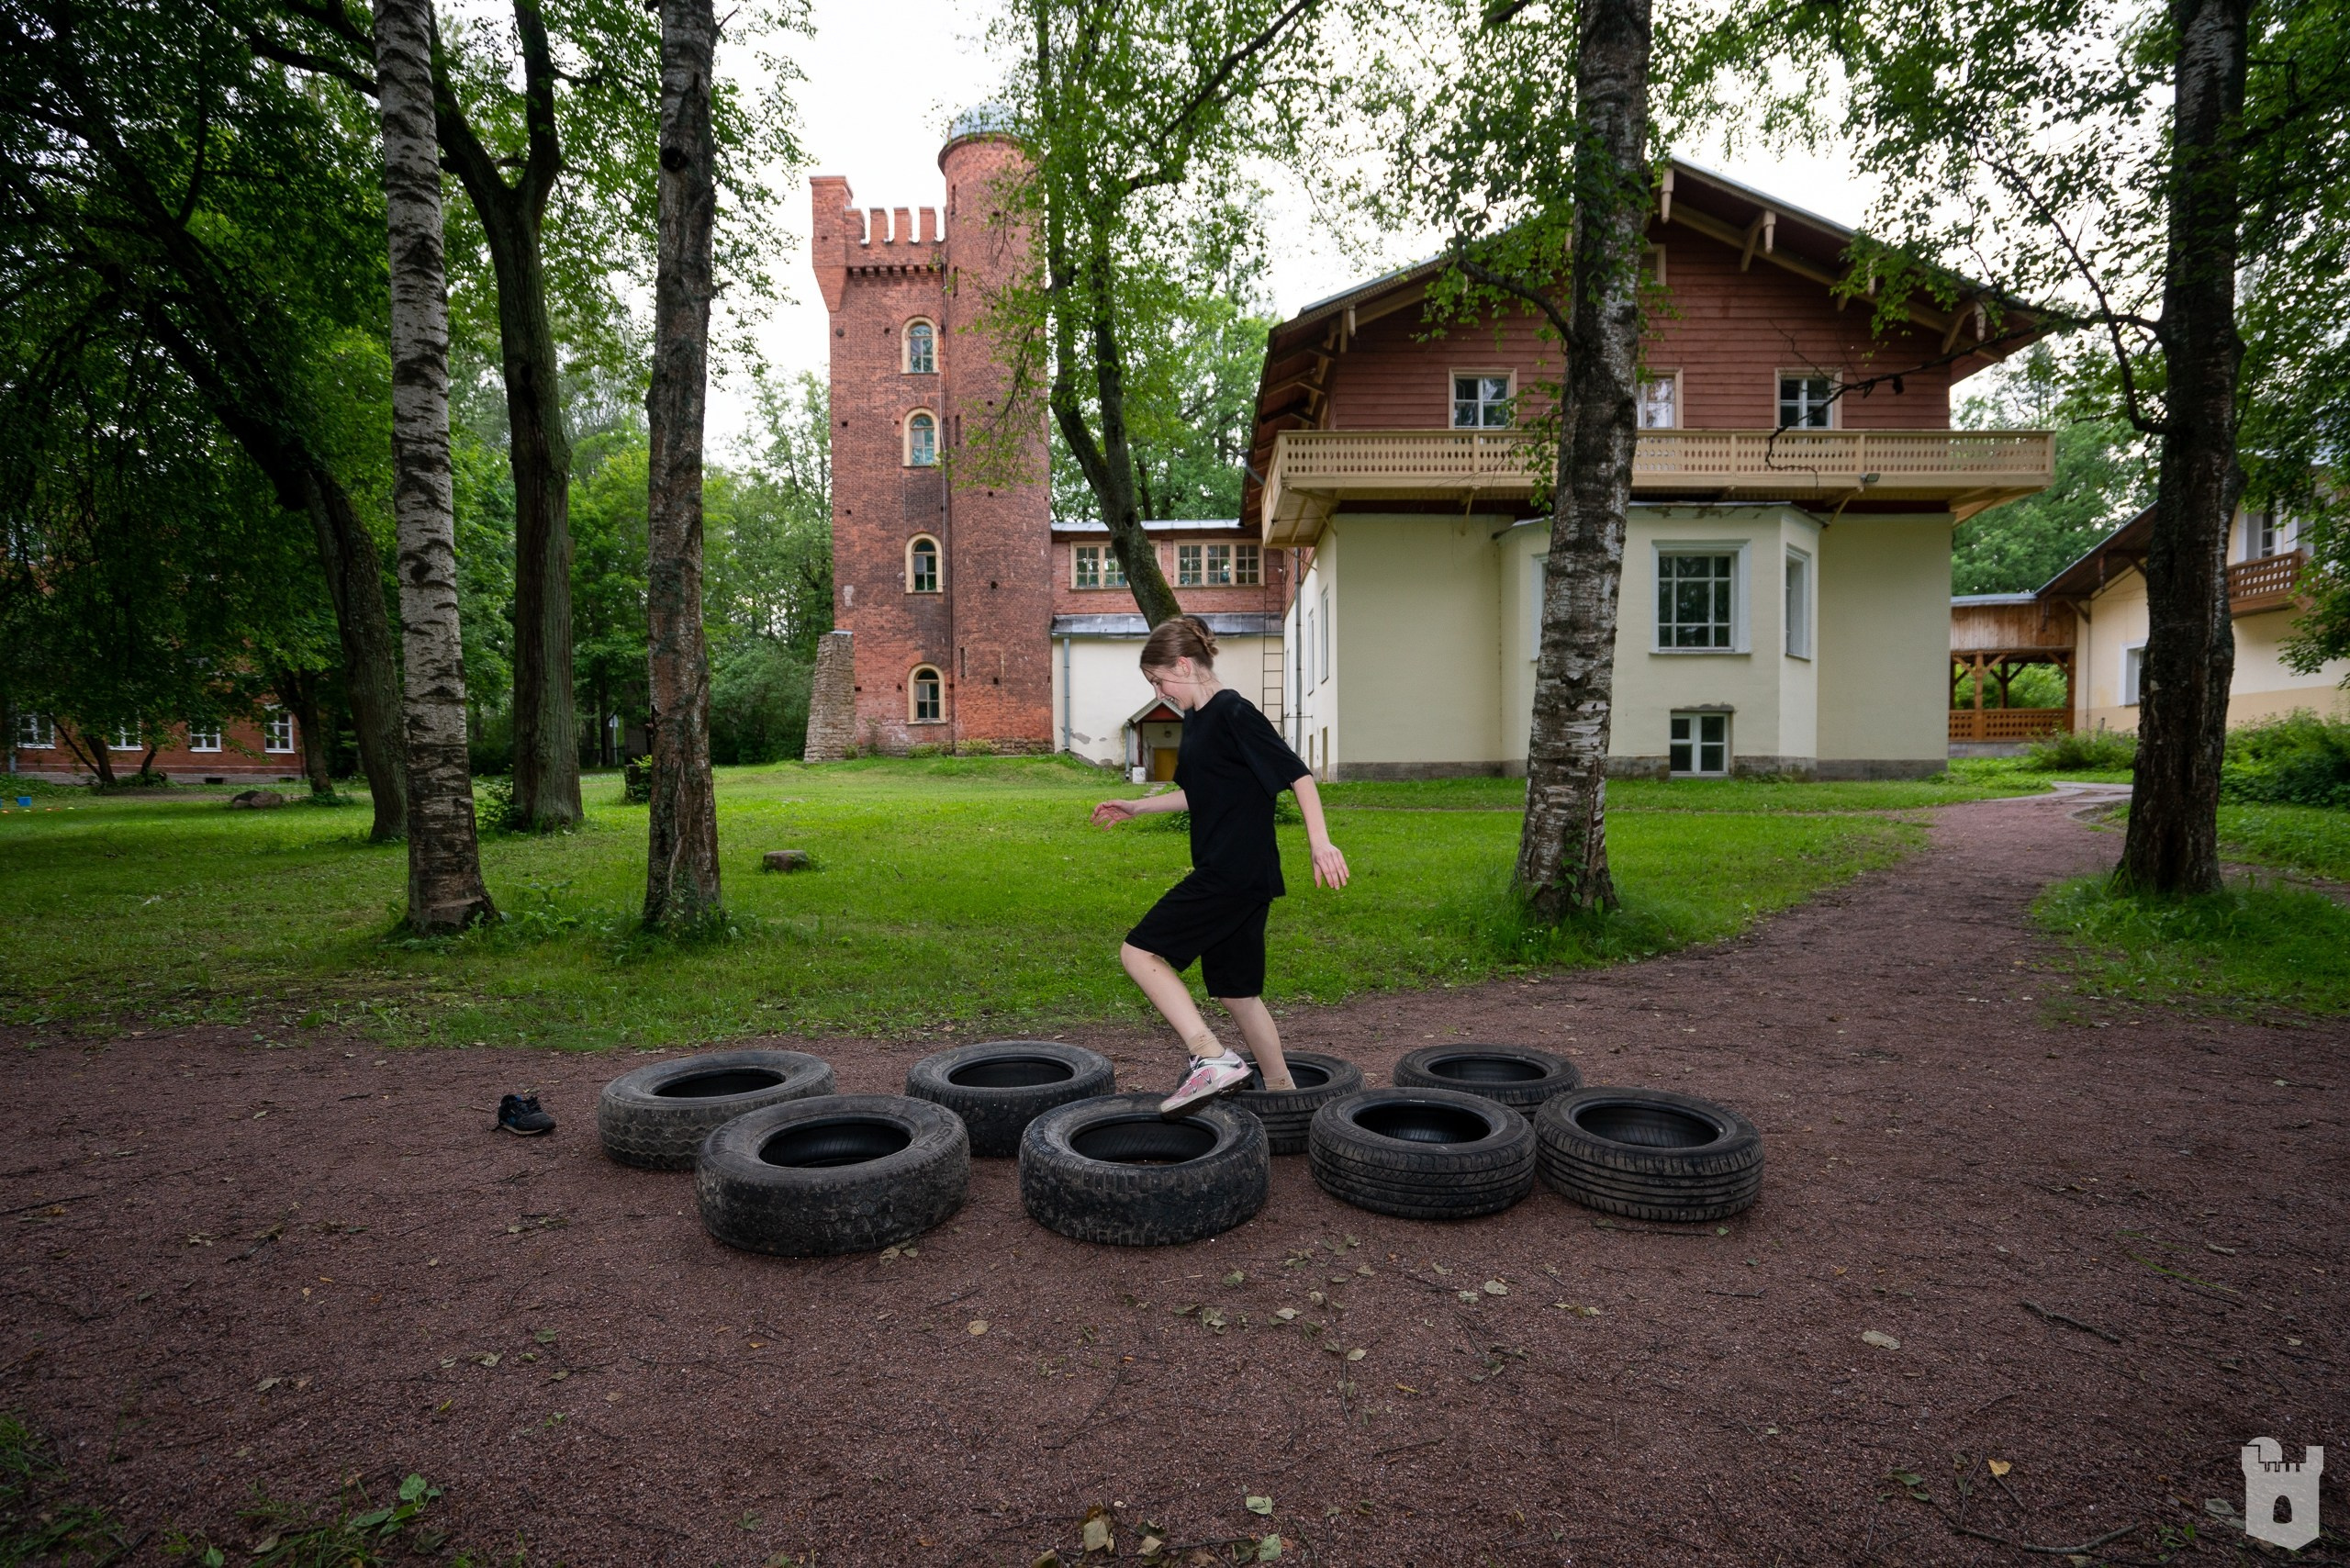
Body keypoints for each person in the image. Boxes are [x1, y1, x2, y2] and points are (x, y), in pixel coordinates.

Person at [1091, 615, 1349, 1114]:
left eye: (1159, 680)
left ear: (1184, 665)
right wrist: (1137, 807)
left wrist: (1320, 842)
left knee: (1139, 952)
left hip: (1231, 872)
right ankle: (1284, 1100)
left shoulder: (1233, 710)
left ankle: (1210, 1056)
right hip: (1243, 876)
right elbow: (1197, 793)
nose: (1160, 691)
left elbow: (1299, 776)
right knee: (1237, 993)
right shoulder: (1199, 721)